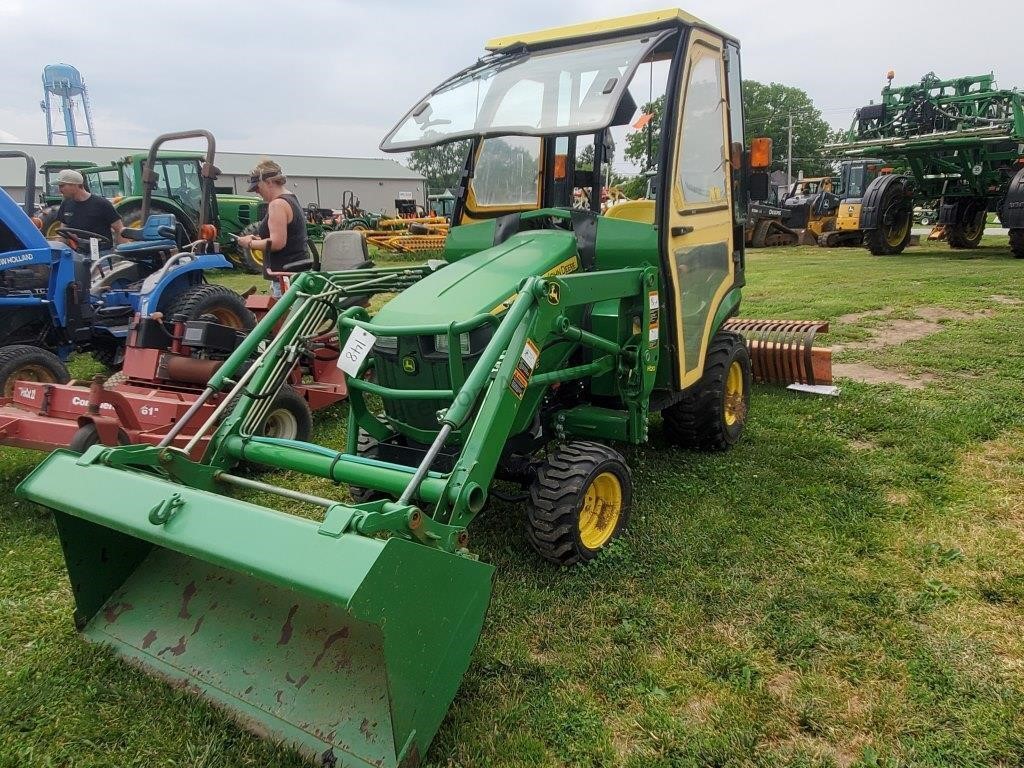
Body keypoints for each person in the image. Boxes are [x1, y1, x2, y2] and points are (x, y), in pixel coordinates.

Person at [236, 159, 312, 297]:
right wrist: (259, 238)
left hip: (285, 277)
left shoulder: (277, 204)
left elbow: (277, 243)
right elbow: (288, 238)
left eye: (257, 187)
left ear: (269, 182)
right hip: (294, 274)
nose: (256, 192)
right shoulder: (290, 199)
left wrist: (249, 243)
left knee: (284, 318)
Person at [53, 169, 125, 248]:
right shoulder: (66, 204)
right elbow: (63, 229)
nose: (60, 190)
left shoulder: (102, 204)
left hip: (101, 252)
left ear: (75, 185)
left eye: (62, 186)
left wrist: (123, 252)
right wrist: (57, 247)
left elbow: (119, 229)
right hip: (78, 252)